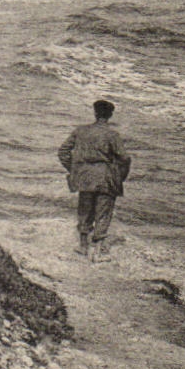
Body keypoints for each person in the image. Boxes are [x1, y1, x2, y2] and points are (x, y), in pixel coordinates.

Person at [57, 100, 132, 262]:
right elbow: (125, 159)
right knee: (103, 213)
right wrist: (120, 177)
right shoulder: (112, 135)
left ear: (95, 113)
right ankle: (98, 252)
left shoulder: (80, 131)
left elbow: (63, 151)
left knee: (84, 210)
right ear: (110, 115)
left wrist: (74, 169)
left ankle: (83, 247)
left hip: (84, 177)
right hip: (106, 178)